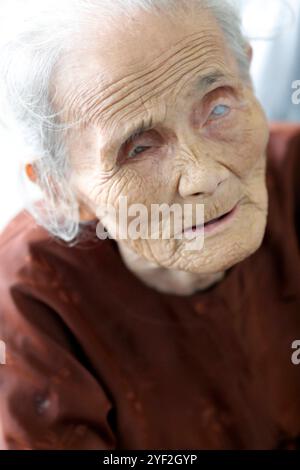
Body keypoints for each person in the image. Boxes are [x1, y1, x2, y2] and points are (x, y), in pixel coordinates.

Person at [0, 0, 299, 450]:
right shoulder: (29, 298)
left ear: (249, 82)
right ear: (62, 190)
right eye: (138, 148)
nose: (203, 176)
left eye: (217, 109)